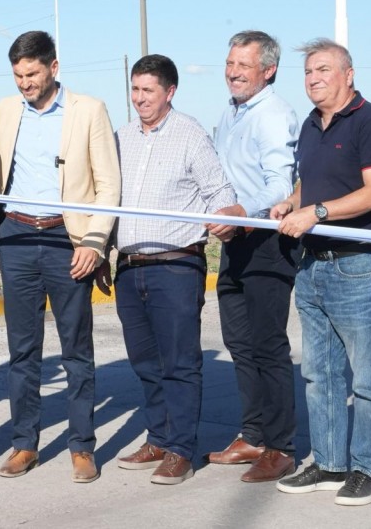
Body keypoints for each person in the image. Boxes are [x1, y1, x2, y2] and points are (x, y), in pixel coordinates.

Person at [0, 31, 120, 483]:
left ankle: (82, 447)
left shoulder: (89, 110)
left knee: (76, 351)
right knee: (22, 351)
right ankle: (25, 444)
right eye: (18, 75)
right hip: (16, 237)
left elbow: (108, 184)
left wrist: (94, 242)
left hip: (69, 240)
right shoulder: (6, 110)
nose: (25, 83)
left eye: (32, 73)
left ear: (53, 67)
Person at [272, 39, 371, 507]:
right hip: (313, 264)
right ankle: (328, 463)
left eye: (323, 69)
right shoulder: (311, 124)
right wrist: (292, 202)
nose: (313, 79)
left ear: (349, 74)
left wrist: (317, 212)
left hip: (359, 264)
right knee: (320, 374)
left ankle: (367, 469)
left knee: (368, 377)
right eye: (308, 72)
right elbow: (311, 180)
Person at [107, 55, 236, 485]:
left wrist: (227, 218)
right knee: (145, 361)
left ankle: (181, 449)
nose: (139, 98)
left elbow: (219, 192)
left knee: (180, 363)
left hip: (176, 266)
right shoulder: (121, 138)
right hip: (130, 268)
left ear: (170, 92)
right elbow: (106, 198)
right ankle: (158, 438)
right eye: (135, 89)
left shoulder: (190, 135)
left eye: (148, 90)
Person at [205, 30, 302, 482]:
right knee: (240, 345)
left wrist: (243, 211)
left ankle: (281, 447)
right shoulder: (231, 112)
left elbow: (280, 184)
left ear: (269, 70)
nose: (233, 72)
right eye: (230, 63)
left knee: (267, 346)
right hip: (235, 240)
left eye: (243, 65)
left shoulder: (273, 115)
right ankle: (254, 435)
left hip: (267, 240)